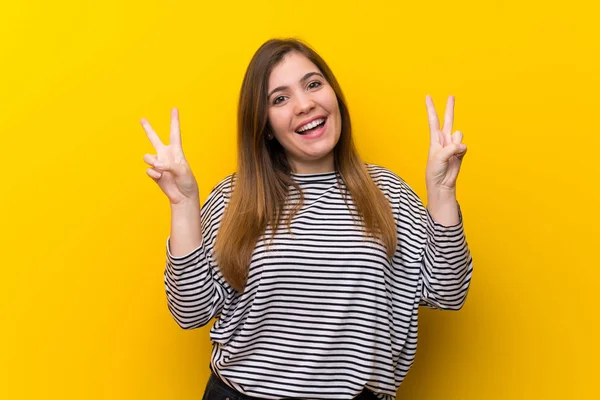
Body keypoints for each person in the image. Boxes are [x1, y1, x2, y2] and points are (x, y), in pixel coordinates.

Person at [141, 38, 473, 400]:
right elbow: (191, 311)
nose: (304, 104)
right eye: (279, 99)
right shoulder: (236, 198)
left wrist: (442, 193)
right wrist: (184, 204)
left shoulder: (387, 193)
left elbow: (448, 292)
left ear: (334, 96)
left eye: (313, 84)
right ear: (265, 124)